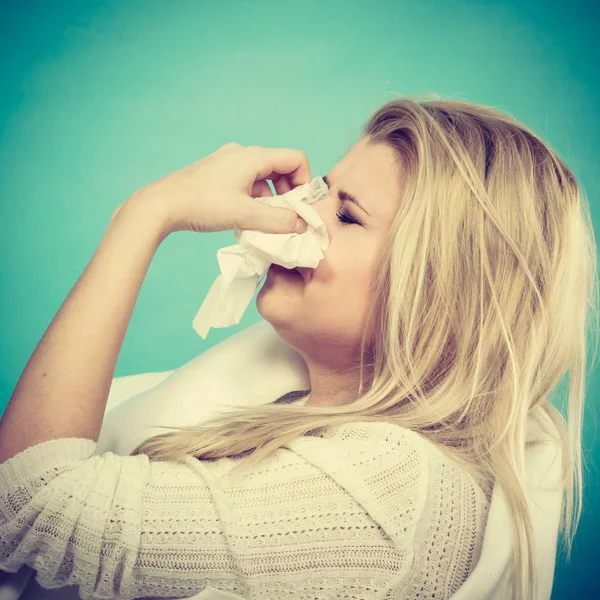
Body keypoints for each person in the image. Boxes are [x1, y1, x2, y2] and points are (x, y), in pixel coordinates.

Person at [0, 95, 596, 600]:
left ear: (442, 293)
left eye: (347, 215)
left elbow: (23, 506)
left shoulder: (384, 499)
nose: (296, 214)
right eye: (321, 191)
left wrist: (147, 212)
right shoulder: (303, 404)